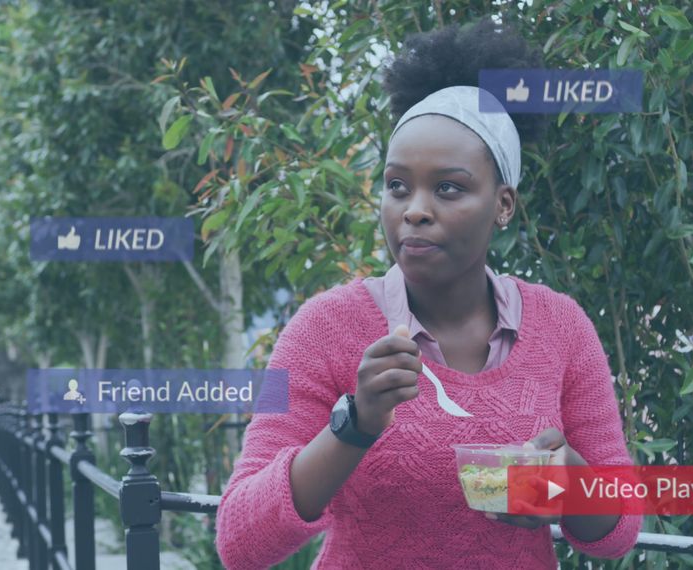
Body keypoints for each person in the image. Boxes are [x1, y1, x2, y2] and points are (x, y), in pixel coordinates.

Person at [216, 18, 641, 569]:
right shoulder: (323, 327)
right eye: (397, 186)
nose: (414, 208)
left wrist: (570, 481)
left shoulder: (562, 327)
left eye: (448, 187)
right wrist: (356, 424)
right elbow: (239, 541)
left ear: (503, 205)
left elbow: (620, 527)